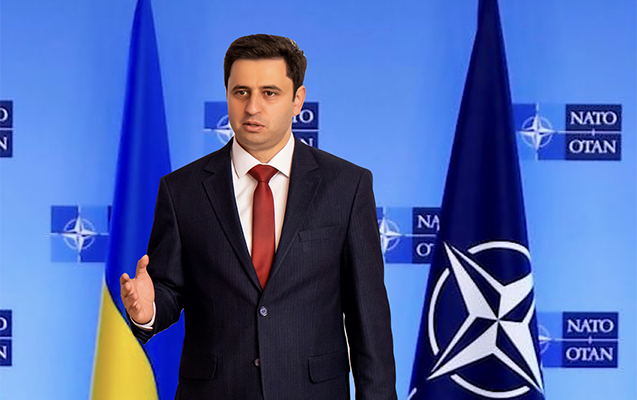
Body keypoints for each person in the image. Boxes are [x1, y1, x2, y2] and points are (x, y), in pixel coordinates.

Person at [120, 34, 397, 400]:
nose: (252, 107)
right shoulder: (181, 189)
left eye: (269, 93)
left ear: (297, 99)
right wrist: (148, 309)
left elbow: (369, 317)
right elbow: (169, 289)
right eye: (241, 92)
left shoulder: (346, 186)